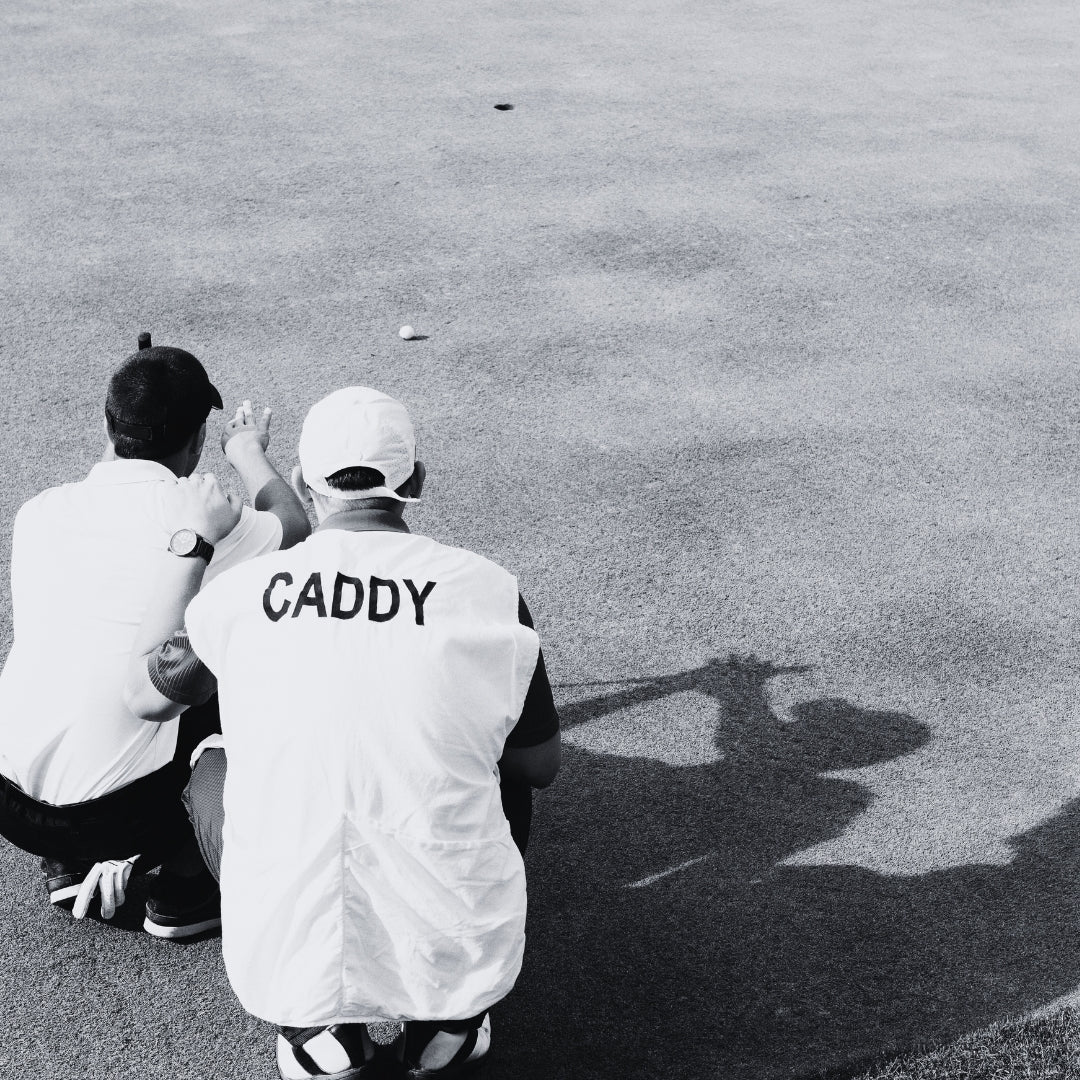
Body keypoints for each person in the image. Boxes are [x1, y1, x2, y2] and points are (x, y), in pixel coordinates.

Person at [124, 386, 560, 1079]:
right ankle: (446, 1025)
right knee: (496, 756)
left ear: (301, 481)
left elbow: (149, 696)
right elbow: (540, 764)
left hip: (287, 960)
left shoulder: (238, 595)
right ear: (415, 481)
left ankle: (321, 1036)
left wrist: (190, 545)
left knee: (210, 756)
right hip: (462, 956)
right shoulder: (491, 589)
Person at [0, 341, 310, 937]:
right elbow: (294, 531)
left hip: (12, 805)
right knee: (241, 660)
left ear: (109, 426)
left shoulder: (37, 511)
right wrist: (247, 452)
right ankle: (187, 881)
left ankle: (68, 858)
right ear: (196, 442)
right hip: (118, 813)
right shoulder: (199, 517)